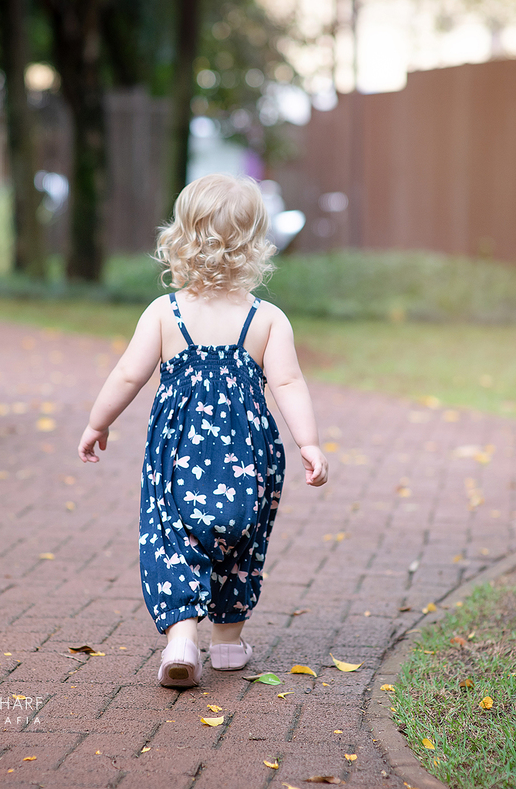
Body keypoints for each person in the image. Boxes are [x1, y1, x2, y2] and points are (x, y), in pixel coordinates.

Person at [77, 173, 329, 689]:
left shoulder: (165, 313)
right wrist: (308, 443)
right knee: (241, 542)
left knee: (172, 537)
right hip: (249, 457)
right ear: (256, 244)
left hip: (178, 456)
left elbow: (127, 375)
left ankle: (181, 641)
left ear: (181, 238)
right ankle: (229, 645)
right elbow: (288, 382)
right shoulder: (267, 319)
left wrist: (98, 423)